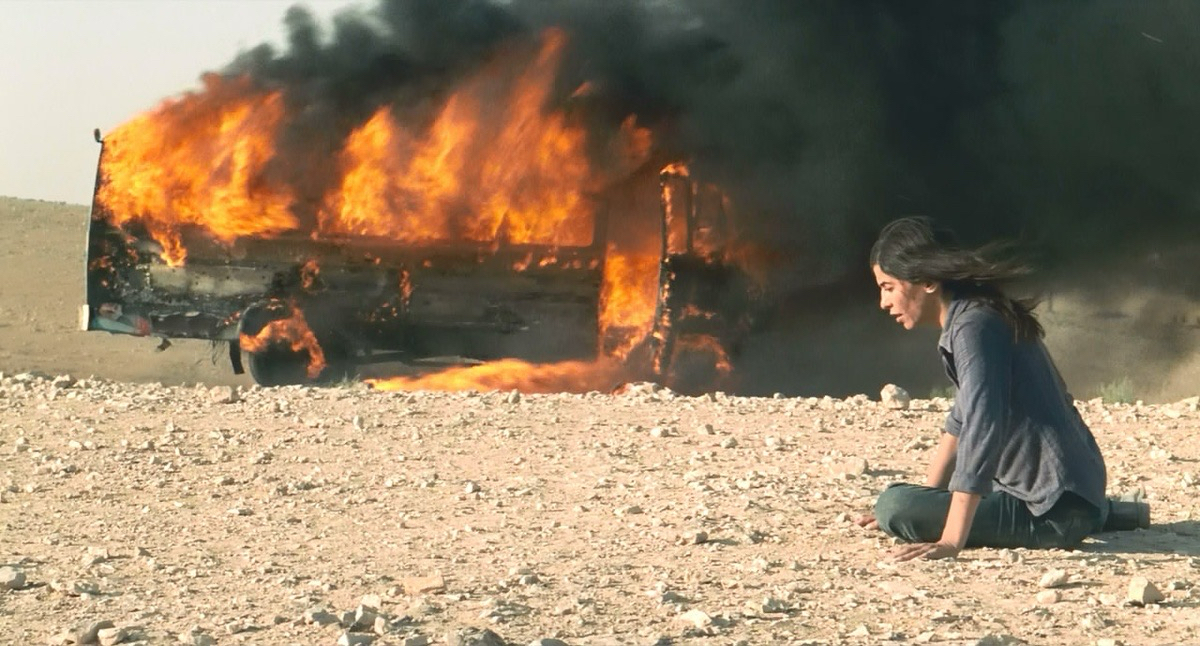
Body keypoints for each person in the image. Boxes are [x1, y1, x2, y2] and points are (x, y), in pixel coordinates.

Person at [858, 217, 1149, 562]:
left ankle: (1090, 516)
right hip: (1074, 494)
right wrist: (927, 502)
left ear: (928, 281)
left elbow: (982, 427)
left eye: (888, 287)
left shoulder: (973, 327)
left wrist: (948, 538)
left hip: (1052, 512)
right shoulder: (976, 314)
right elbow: (960, 423)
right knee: (906, 504)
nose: (883, 302)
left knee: (893, 504)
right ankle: (1105, 512)